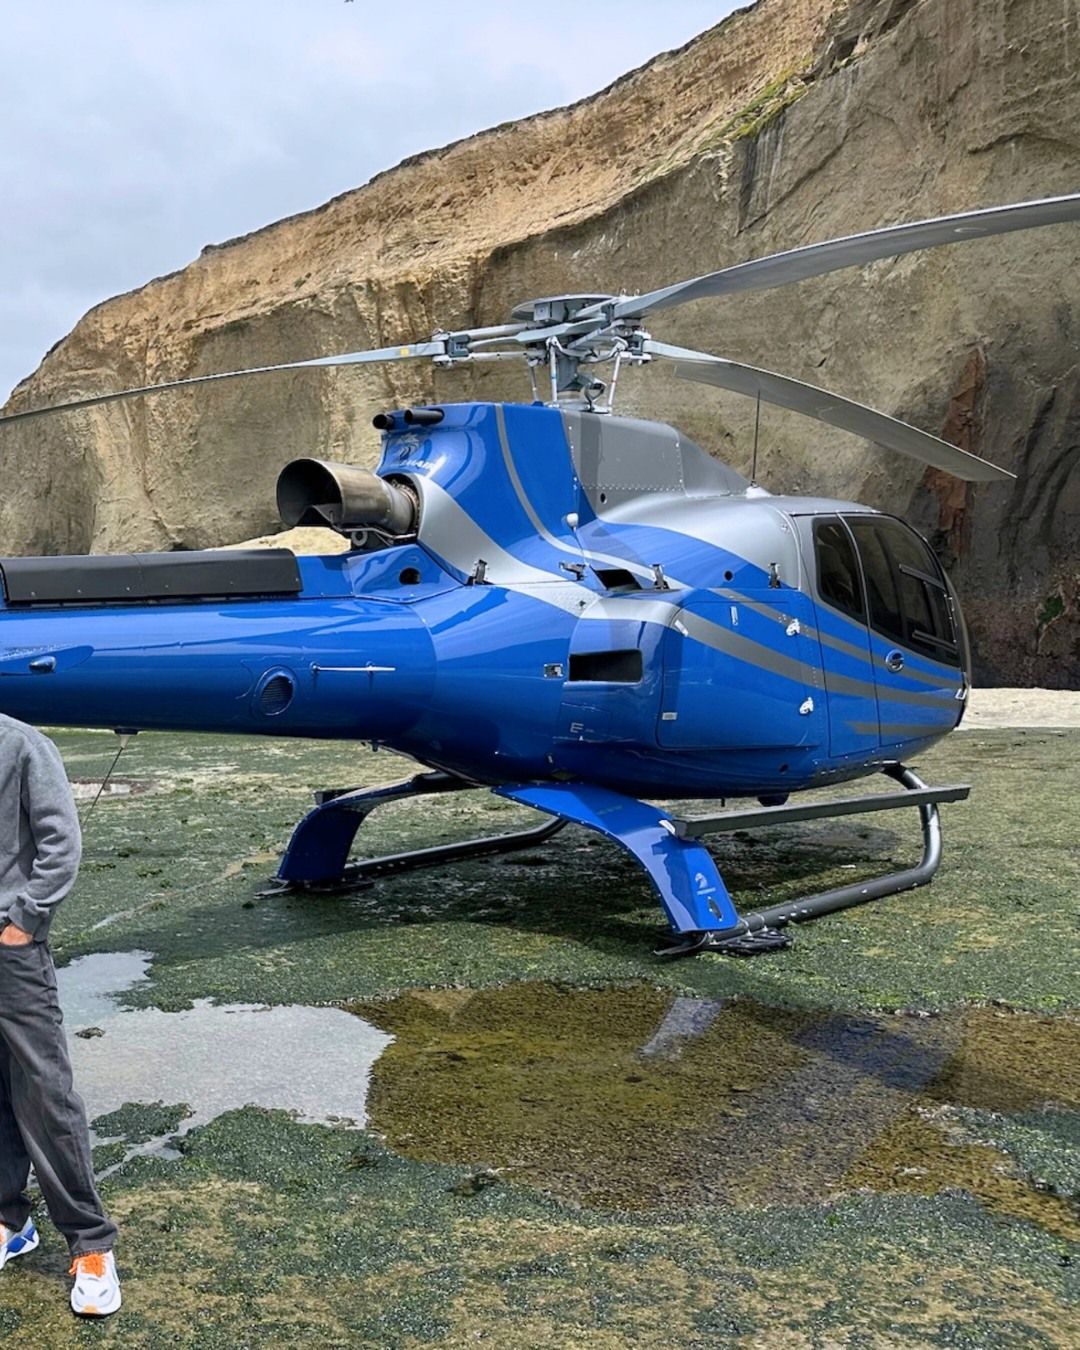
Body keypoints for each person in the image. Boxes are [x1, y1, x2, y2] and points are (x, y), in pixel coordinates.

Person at [0, 713, 121, 1317]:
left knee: (46, 1093)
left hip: (9, 949)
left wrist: (24, 922)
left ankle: (91, 1242)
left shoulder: (22, 745)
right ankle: (9, 1222)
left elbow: (61, 842)